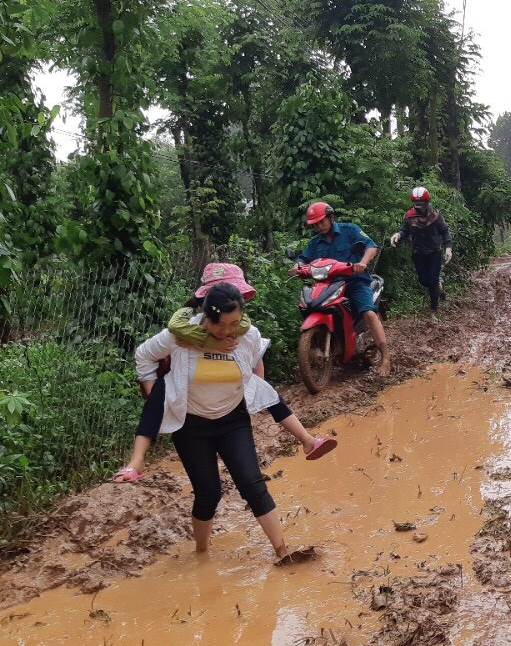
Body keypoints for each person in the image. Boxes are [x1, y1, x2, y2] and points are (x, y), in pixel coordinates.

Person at [130, 283, 312, 563]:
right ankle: (201, 554)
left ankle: (282, 551)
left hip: (233, 419)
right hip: (191, 427)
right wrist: (153, 393)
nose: (229, 331)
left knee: (253, 484)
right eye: (221, 325)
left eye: (235, 323)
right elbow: (144, 355)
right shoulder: (180, 337)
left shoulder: (247, 335)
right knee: (208, 493)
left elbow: (253, 364)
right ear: (207, 318)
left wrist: (255, 394)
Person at [112, 264, 336, 484]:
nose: (228, 329)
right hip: (187, 402)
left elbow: (255, 358)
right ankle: (137, 460)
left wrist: (256, 388)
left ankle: (307, 439)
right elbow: (152, 348)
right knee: (156, 398)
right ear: (209, 304)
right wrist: (149, 385)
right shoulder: (184, 331)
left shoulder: (244, 330)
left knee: (268, 394)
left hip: (229, 404)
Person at [298, 201, 391, 376]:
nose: (319, 226)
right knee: (310, 306)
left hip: (355, 282)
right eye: (315, 224)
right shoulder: (314, 243)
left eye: (321, 222)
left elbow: (371, 246)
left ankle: (386, 357)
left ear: (331, 217)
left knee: (369, 313)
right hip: (328, 285)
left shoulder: (350, 230)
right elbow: (303, 259)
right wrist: (298, 266)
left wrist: (362, 262)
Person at [389, 186, 453, 313]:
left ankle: (433, 308)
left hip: (434, 252)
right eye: (416, 204)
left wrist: (448, 248)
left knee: (432, 282)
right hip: (418, 253)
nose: (419, 207)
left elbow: (444, 232)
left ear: (427, 203)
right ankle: (440, 284)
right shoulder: (409, 216)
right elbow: (405, 231)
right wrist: (398, 235)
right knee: (424, 281)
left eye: (421, 204)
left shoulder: (435, 215)